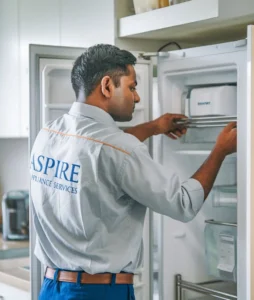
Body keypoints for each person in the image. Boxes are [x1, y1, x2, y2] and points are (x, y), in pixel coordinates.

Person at [30, 44, 237, 300]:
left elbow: (97, 149)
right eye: (132, 86)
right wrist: (221, 150)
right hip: (99, 293)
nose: (137, 97)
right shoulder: (120, 149)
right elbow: (184, 203)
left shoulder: (48, 133)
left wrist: (153, 127)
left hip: (51, 289)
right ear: (107, 86)